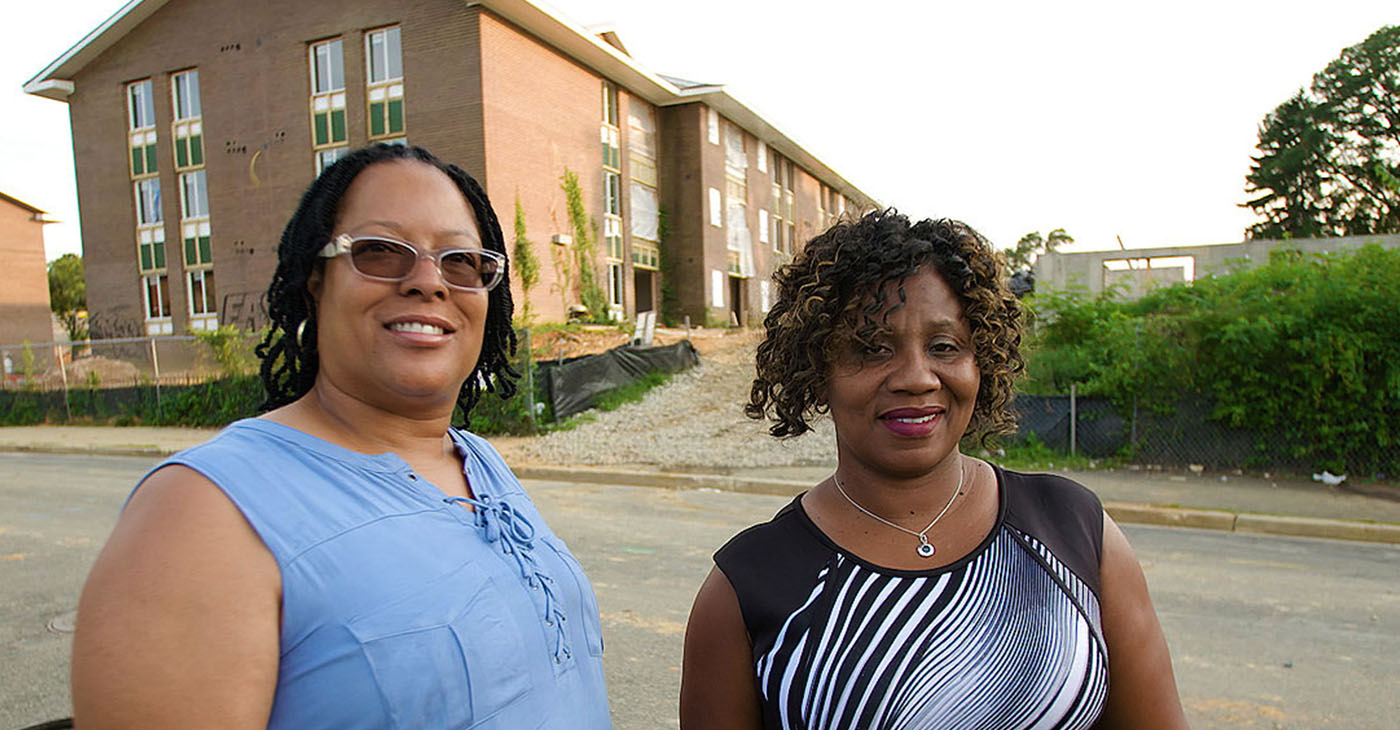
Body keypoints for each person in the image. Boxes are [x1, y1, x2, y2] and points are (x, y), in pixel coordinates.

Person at [71, 144, 612, 729]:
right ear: (314, 280)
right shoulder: (203, 513)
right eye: (380, 251)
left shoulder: (476, 460)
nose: (429, 282)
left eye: (459, 261)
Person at [680, 210, 1189, 729]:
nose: (917, 378)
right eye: (872, 348)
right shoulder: (745, 589)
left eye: (945, 346)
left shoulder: (1076, 530)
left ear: (980, 363)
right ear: (816, 371)